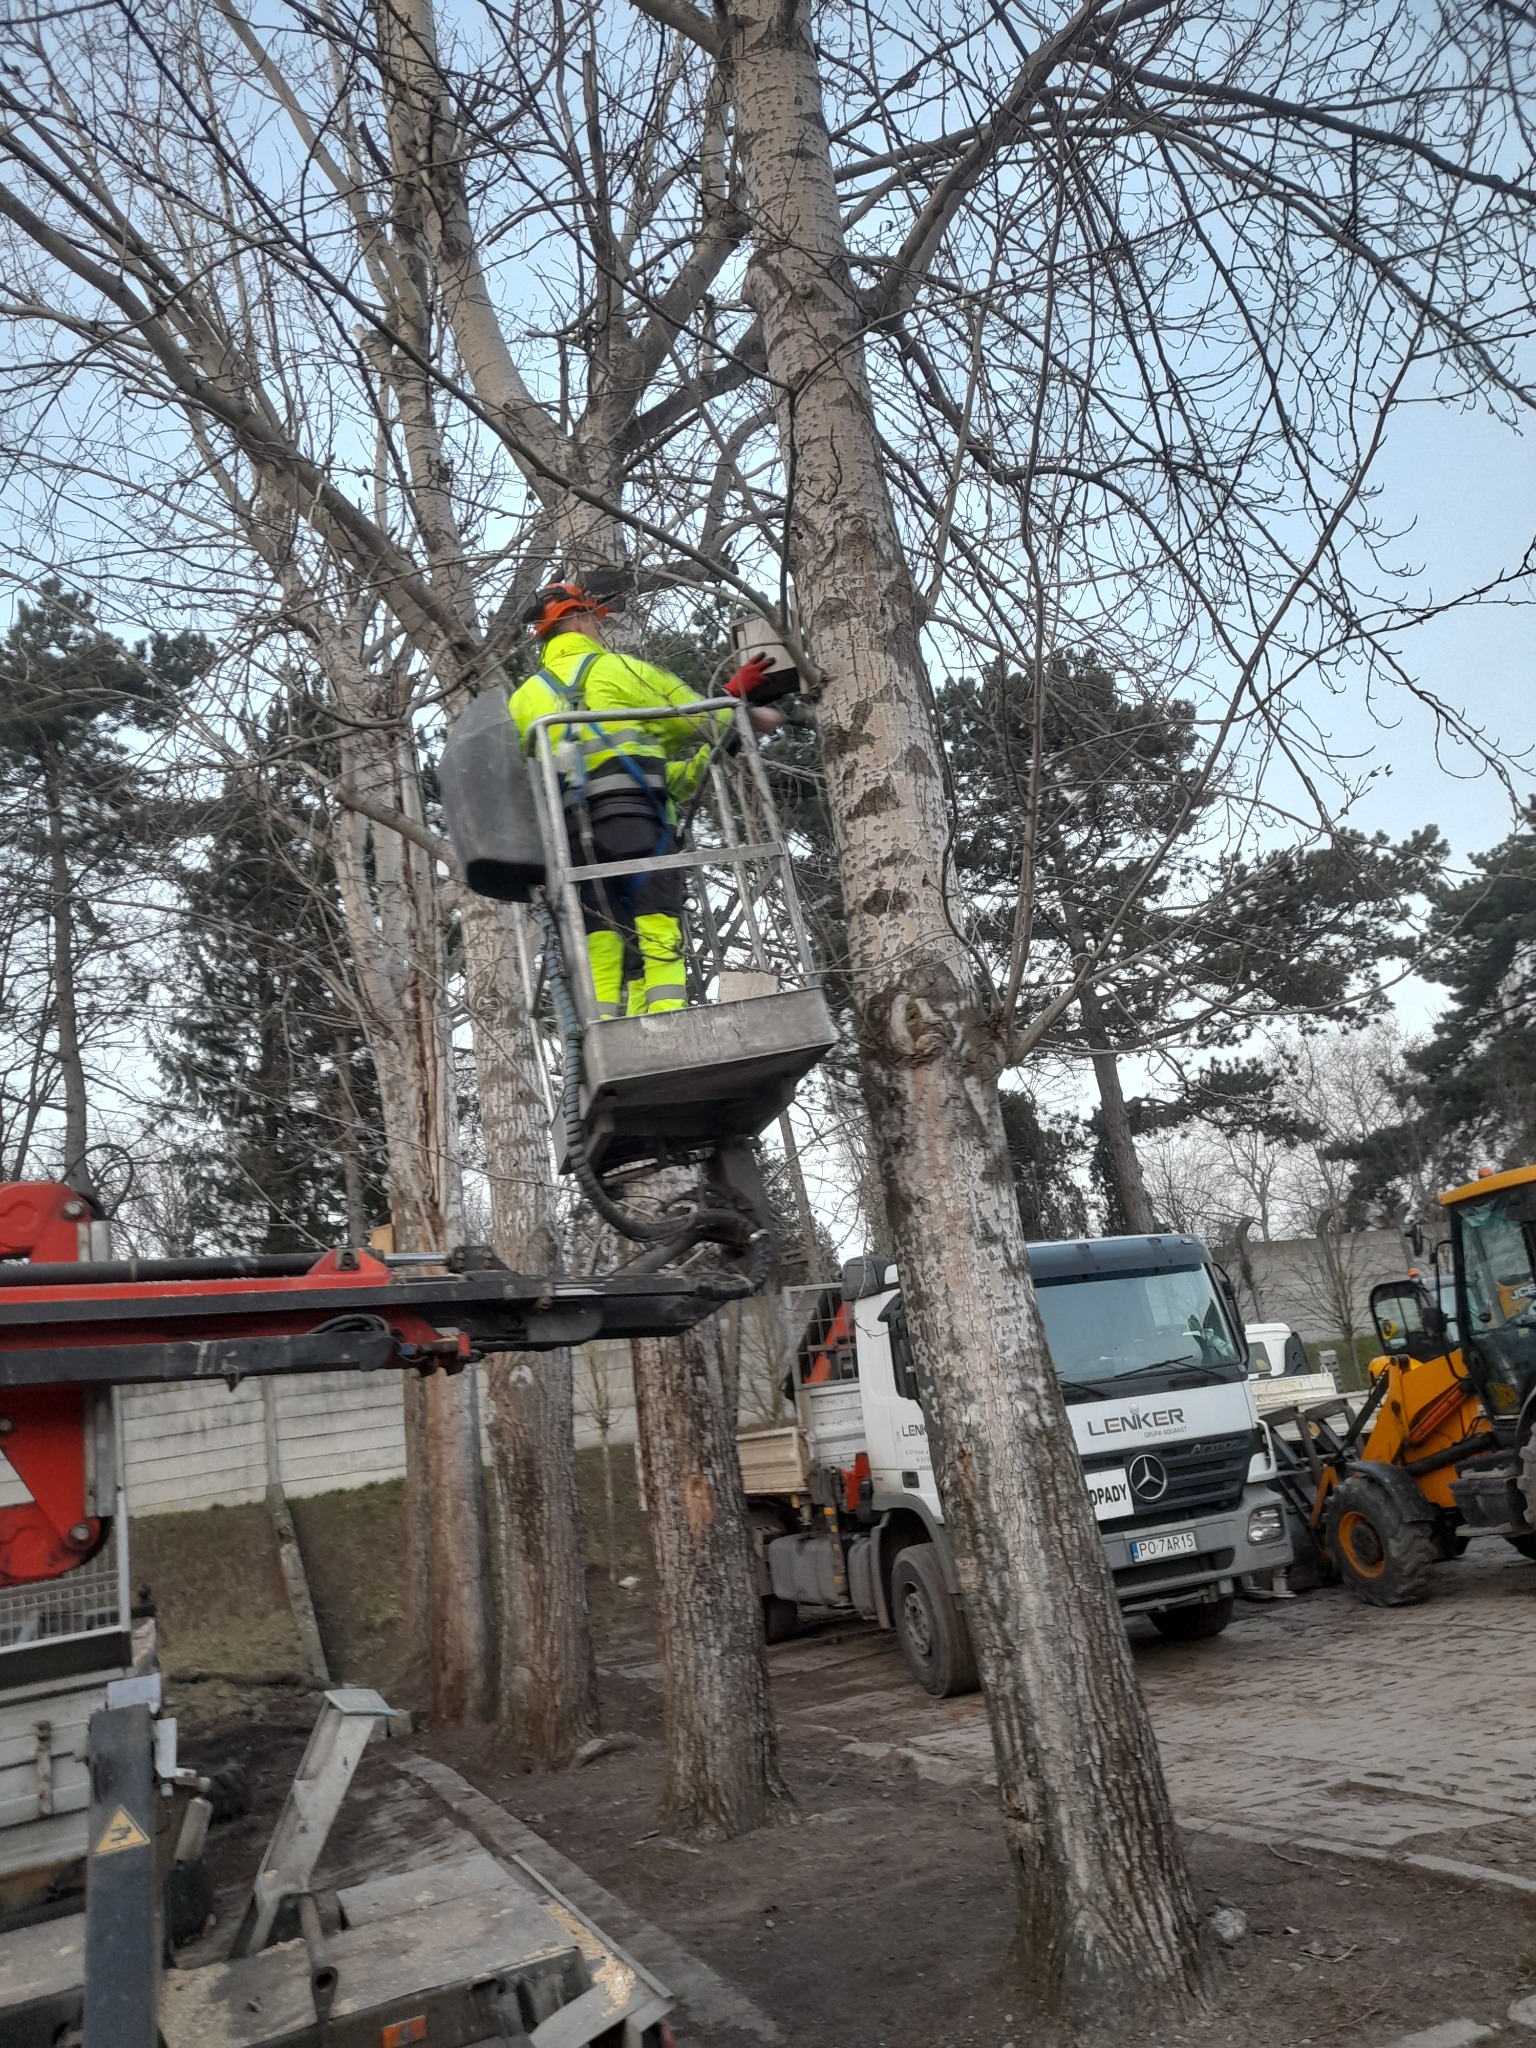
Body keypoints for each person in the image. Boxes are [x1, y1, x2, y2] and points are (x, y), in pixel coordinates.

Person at [510, 581, 781, 1017]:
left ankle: (605, 1031)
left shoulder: (524, 699)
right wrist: (734, 702)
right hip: (638, 824)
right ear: (576, 620)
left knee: (601, 939)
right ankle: (667, 1022)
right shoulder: (622, 670)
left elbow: (520, 778)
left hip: (573, 840)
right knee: (657, 927)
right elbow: (697, 719)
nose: (599, 629)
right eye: (594, 620)